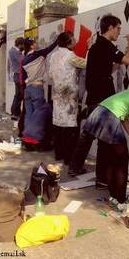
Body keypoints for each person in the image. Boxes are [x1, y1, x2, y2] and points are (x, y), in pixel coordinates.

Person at [68, 14, 129, 188]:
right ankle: (102, 179)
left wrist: (116, 64)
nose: (119, 32)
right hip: (103, 99)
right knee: (104, 141)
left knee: (89, 135)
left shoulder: (97, 47)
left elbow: (105, 68)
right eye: (118, 28)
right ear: (110, 28)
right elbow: (128, 60)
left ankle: (75, 167)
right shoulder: (107, 46)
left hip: (94, 97)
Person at [80, 87, 129, 203]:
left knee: (111, 157)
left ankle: (114, 195)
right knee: (121, 159)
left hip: (101, 111)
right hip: (108, 115)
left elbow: (123, 115)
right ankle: (120, 199)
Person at [48, 31, 86, 164]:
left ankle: (59, 154)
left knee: (58, 124)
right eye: (73, 38)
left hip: (58, 93)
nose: (75, 39)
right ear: (68, 42)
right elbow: (86, 64)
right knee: (70, 126)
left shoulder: (53, 56)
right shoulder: (70, 56)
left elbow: (51, 74)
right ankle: (68, 158)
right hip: (69, 95)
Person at [20, 37, 58, 148]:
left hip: (28, 89)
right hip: (37, 88)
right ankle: (35, 140)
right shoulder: (38, 55)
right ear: (32, 46)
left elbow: (24, 77)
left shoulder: (24, 59)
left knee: (29, 115)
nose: (37, 44)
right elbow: (50, 48)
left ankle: (26, 139)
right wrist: (58, 39)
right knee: (38, 116)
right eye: (35, 42)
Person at [9, 37, 25, 120]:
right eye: (23, 45)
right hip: (18, 75)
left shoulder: (15, 51)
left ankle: (15, 112)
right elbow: (22, 60)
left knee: (18, 94)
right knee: (19, 95)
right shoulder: (14, 51)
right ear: (20, 44)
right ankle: (15, 113)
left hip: (18, 75)